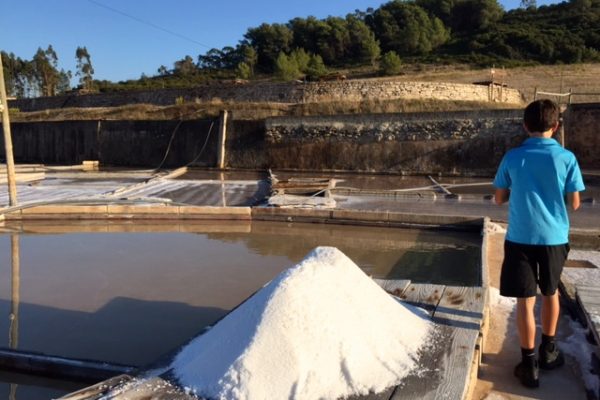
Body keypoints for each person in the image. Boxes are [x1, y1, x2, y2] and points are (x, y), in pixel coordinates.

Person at [493, 99, 585, 388]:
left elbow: (498, 198)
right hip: (555, 238)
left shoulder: (513, 157)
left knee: (525, 299)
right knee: (551, 292)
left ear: (525, 125)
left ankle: (529, 363)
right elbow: (575, 202)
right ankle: (549, 350)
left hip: (520, 237)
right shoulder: (567, 158)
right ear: (555, 127)